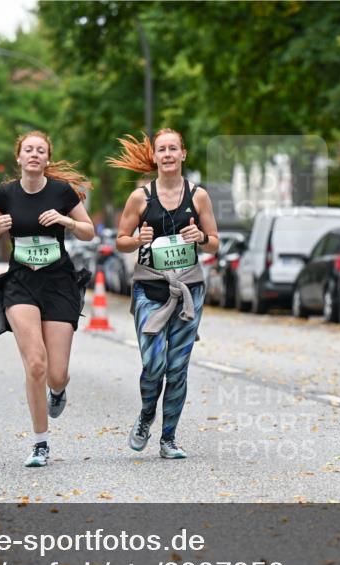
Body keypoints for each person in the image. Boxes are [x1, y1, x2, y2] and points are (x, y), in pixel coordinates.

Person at [0, 131, 96, 468]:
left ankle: (58, 391)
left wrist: (66, 220)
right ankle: (40, 443)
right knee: (36, 363)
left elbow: (89, 231)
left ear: (46, 158)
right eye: (28, 149)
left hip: (58, 283)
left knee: (56, 373)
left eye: (40, 150)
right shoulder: (5, 194)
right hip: (21, 284)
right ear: (19, 157)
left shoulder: (61, 192)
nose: (33, 154)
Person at [108, 129, 220, 460]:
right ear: (154, 157)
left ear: (183, 154)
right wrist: (138, 239)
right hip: (150, 288)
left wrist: (200, 236)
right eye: (162, 150)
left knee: (178, 367)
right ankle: (146, 416)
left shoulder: (198, 196)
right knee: (154, 364)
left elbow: (214, 241)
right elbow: (120, 240)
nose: (168, 154)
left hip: (189, 289)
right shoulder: (141, 198)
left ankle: (168, 438)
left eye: (174, 149)